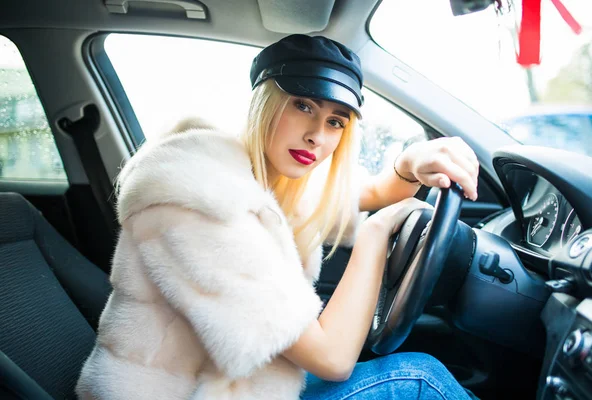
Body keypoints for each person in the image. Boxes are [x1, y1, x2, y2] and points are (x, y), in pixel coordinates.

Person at [75, 34, 479, 400]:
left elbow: (373, 191)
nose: (317, 136)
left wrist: (410, 162)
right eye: (303, 105)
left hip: (232, 385)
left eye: (335, 121)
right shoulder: (202, 199)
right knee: (418, 378)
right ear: (264, 102)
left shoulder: (261, 178)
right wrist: (377, 231)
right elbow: (333, 358)